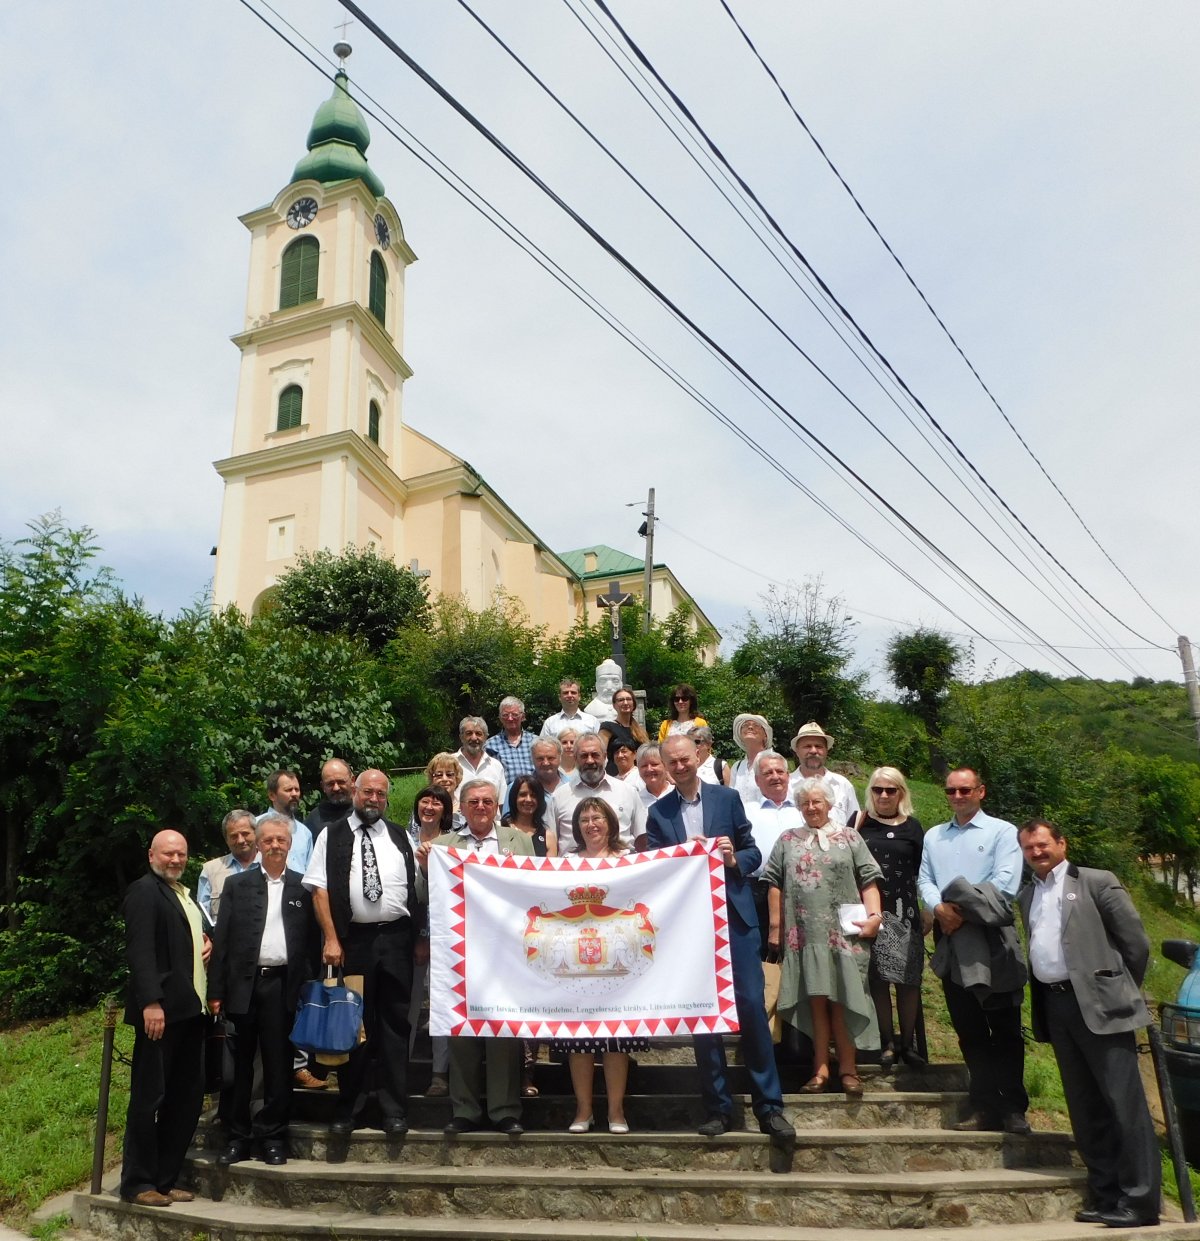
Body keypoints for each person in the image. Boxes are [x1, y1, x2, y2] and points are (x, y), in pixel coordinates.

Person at [646, 736, 793, 1143]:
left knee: (751, 1009)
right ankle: (718, 1108)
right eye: (672, 762)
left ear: (698, 757)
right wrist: (683, 855)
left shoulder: (727, 799)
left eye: (684, 759)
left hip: (736, 919)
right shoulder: (658, 813)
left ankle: (770, 1107)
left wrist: (730, 859)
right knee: (704, 1016)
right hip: (689, 928)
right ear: (664, 766)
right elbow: (654, 868)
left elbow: (753, 854)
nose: (679, 766)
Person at [1017, 820, 1160, 1229]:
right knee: (1084, 1106)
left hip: (1102, 1006)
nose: (1037, 852)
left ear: (1061, 843)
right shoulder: (1027, 895)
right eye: (1029, 848)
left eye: (1043, 844)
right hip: (1056, 1005)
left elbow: (1136, 943)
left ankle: (1141, 1201)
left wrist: (1118, 988)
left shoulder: (1097, 882)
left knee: (1123, 1105)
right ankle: (1106, 1194)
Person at [303, 769, 421, 1137]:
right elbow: (318, 890)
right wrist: (331, 938)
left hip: (396, 941)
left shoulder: (399, 835)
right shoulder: (331, 834)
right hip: (353, 942)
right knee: (353, 1025)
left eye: (380, 794)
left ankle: (394, 1110)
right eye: (368, 792)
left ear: (387, 797)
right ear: (355, 791)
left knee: (395, 1025)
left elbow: (416, 887)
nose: (374, 799)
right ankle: (349, 1108)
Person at [417, 778, 534, 1135]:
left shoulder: (520, 841)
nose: (480, 807)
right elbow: (423, 897)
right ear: (462, 808)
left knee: (503, 1029)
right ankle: (464, 1109)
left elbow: (535, 890)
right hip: (459, 950)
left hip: (507, 950)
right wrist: (425, 869)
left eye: (487, 801)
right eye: (473, 802)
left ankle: (504, 1111)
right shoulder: (443, 846)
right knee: (461, 1028)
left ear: (497, 807)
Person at [918, 767, 1028, 1135]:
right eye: (951, 791)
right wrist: (939, 909)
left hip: (992, 937)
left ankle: (1012, 1108)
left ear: (981, 791)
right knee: (969, 1029)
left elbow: (1005, 884)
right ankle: (984, 1106)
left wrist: (959, 911)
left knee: (1005, 1028)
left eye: (965, 790)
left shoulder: (1002, 832)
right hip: (951, 938)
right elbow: (925, 879)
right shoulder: (934, 836)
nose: (957, 796)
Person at [208, 814, 319, 1167]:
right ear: (258, 845)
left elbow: (312, 944)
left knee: (278, 1064)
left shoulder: (303, 887)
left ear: (290, 845)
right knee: (240, 1066)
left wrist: (307, 986)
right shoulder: (237, 886)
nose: (274, 846)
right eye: (268, 840)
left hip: (283, 986)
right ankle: (237, 1137)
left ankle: (272, 1137)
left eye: (280, 840)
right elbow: (222, 941)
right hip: (243, 985)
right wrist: (216, 991)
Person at [765, 778, 883, 1096]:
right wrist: (775, 926)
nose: (811, 807)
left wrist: (875, 917)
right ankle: (820, 1070)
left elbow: (869, 879)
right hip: (803, 936)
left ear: (829, 804)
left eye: (817, 801)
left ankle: (848, 1070)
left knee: (842, 999)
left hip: (844, 935)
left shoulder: (850, 837)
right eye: (805, 802)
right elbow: (774, 881)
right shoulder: (787, 839)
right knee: (816, 1002)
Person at [119, 830, 210, 1208]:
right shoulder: (144, 891)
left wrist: (206, 941)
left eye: (181, 854)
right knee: (149, 1097)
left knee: (184, 1100)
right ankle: (138, 1183)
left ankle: (164, 1179)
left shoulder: (182, 894)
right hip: (161, 1014)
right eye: (168, 853)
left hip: (191, 1012)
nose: (175, 860)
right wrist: (151, 1002)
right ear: (151, 855)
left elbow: (186, 938)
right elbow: (140, 951)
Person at [556, 798, 648, 1134]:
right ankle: (583, 1110)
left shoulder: (629, 860)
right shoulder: (565, 863)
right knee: (579, 1040)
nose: (591, 824)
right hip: (577, 964)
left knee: (616, 1040)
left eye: (597, 818)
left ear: (610, 822)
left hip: (619, 964)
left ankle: (616, 1111)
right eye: (584, 819)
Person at [852, 768, 926, 1069]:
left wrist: (927, 908)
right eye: (878, 789)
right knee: (877, 981)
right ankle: (887, 1043)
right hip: (869, 913)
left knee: (908, 982)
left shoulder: (913, 827)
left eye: (890, 790)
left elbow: (923, 871)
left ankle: (908, 1044)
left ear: (901, 793)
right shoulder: (859, 822)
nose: (883, 795)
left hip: (905, 913)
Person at [405, 785, 456, 1097]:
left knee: (442, 1005)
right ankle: (401, 1070)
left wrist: (427, 935)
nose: (430, 806)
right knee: (407, 1006)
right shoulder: (401, 840)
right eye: (424, 800)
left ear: (445, 811)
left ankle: (440, 1074)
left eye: (437, 803)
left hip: (445, 937)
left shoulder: (454, 845)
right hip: (404, 935)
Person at [549, 732, 648, 853]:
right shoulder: (559, 796)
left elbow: (642, 837)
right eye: (584, 756)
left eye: (595, 755)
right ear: (575, 758)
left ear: (605, 756)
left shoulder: (628, 792)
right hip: (574, 864)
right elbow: (550, 843)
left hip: (620, 863)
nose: (590, 761)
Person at [786, 723, 859, 827]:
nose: (813, 751)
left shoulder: (842, 785)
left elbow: (855, 824)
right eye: (807, 746)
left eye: (818, 746)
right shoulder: (786, 785)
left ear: (826, 750)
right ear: (797, 751)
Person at [197, 809, 258, 928]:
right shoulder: (210, 870)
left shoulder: (271, 866)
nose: (240, 840)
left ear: (256, 833)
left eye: (245, 833)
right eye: (234, 836)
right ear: (226, 840)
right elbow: (203, 918)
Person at [454, 716, 507, 809]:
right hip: (456, 818)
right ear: (461, 737)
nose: (474, 738)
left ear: (485, 737)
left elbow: (502, 803)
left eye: (478, 733)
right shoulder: (450, 763)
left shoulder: (496, 766)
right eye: (469, 733)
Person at [485, 696, 539, 783]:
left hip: (535, 790)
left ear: (523, 716)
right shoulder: (490, 745)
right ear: (500, 718)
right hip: (505, 791)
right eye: (505, 715)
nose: (510, 718)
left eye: (515, 715)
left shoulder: (536, 742)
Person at [598, 686, 649, 776]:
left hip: (638, 776)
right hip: (615, 776)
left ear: (633, 704)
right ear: (614, 705)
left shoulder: (639, 730)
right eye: (621, 700)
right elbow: (599, 752)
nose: (625, 702)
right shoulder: (607, 727)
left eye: (628, 699)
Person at [729, 714, 773, 809]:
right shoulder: (737, 767)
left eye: (756, 725)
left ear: (765, 735)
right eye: (745, 725)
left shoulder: (773, 761)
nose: (750, 727)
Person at [503, 774, 552, 857]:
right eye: (523, 794)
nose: (528, 799)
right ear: (514, 797)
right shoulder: (499, 828)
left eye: (533, 795)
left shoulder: (548, 837)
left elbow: (550, 865)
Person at [304, 758, 355, 837]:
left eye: (341, 782)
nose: (336, 788)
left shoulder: (364, 813)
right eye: (330, 784)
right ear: (323, 786)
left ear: (352, 781)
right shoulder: (314, 819)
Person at [425, 753, 467, 826]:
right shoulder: (423, 809)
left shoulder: (467, 809)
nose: (444, 779)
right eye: (439, 775)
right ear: (432, 779)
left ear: (457, 778)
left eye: (449, 774)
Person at [633, 742, 672, 809]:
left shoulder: (678, 793)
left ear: (665, 765)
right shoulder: (636, 801)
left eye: (654, 764)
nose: (649, 769)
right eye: (644, 765)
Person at [584, 658, 624, 723]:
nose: (609, 687)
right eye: (603, 681)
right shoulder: (589, 710)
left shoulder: (627, 708)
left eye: (615, 681)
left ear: (621, 685)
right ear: (597, 685)